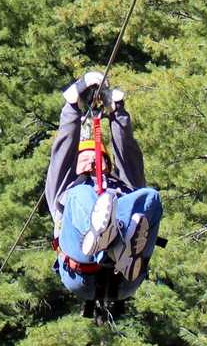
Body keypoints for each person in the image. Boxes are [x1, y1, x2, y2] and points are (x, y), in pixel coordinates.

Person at [45, 72, 163, 306]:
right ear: (75, 165)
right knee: (81, 195)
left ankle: (119, 246)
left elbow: (128, 155)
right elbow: (62, 151)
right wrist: (73, 106)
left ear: (108, 165)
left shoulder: (122, 188)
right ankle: (101, 236)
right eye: (85, 159)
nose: (91, 162)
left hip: (125, 278)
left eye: (98, 159)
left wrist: (116, 111)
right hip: (80, 269)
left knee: (151, 196)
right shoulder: (66, 189)